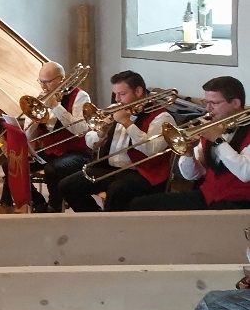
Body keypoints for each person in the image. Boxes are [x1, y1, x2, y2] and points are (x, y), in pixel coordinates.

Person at [129, 76, 250, 212]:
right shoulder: (209, 126)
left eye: (214, 103)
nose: (208, 109)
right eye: (206, 102)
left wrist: (217, 139)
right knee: (140, 205)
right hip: (208, 196)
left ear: (235, 103)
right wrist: (189, 152)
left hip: (240, 203)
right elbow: (191, 175)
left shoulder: (218, 133)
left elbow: (245, 173)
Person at [59, 70, 173, 212]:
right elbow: (90, 142)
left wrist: (127, 123)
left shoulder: (162, 117)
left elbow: (151, 150)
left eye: (122, 94)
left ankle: (111, 228)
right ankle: (97, 221)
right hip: (110, 168)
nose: (117, 99)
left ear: (138, 91)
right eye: (115, 94)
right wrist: (100, 134)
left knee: (116, 191)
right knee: (67, 185)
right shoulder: (115, 109)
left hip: (142, 173)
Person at [24, 62, 92, 212]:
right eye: (40, 81)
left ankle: (54, 207)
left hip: (77, 152)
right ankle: (39, 204)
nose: (43, 86)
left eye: (47, 82)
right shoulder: (42, 97)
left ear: (61, 79)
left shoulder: (80, 96)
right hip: (51, 151)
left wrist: (56, 106)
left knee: (52, 170)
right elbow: (28, 135)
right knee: (14, 164)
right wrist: (35, 117)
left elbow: (82, 129)